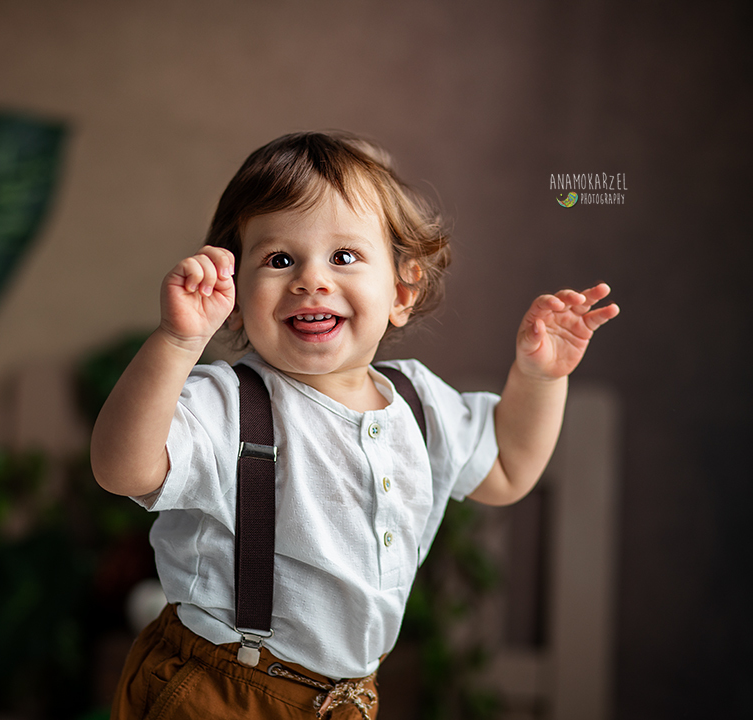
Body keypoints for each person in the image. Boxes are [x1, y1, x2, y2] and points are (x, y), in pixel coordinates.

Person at [90, 131, 619, 719]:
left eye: (344, 256)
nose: (312, 280)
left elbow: (507, 470)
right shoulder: (228, 402)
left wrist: (540, 378)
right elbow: (122, 469)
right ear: (235, 294)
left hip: (343, 702)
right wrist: (178, 340)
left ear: (402, 289)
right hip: (221, 691)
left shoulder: (419, 404)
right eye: (280, 259)